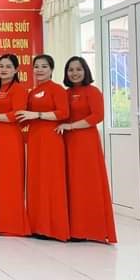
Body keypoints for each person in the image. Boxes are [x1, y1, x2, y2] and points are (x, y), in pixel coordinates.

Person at [58, 56, 117, 243]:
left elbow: (97, 116)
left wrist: (72, 126)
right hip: (67, 141)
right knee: (71, 183)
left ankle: (90, 229)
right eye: (70, 70)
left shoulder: (93, 91)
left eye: (78, 69)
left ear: (85, 71)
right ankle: (73, 228)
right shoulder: (65, 93)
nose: (74, 73)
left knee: (86, 182)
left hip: (86, 142)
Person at [17, 54, 70, 241]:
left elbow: (63, 113)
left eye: (44, 66)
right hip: (34, 139)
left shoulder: (57, 89)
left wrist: (38, 114)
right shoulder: (32, 93)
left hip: (51, 139)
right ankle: (36, 226)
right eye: (36, 66)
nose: (39, 70)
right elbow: (25, 117)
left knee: (51, 180)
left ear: (51, 69)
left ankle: (53, 228)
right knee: (36, 181)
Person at [0, 54, 31, 236]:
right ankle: (0, 221)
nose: (4, 69)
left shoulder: (18, 89)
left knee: (10, 179)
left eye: (8, 66)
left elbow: (17, 114)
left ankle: (12, 223)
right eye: (1, 66)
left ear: (16, 69)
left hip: (10, 137)